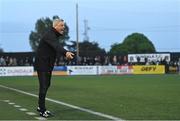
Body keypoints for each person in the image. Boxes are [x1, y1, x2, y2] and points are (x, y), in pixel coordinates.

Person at [34, 18, 74, 118]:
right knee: (43, 86)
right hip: (42, 64)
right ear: (55, 26)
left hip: (47, 64)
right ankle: (42, 110)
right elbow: (56, 46)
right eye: (61, 25)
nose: (63, 27)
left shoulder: (54, 35)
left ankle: (40, 106)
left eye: (63, 25)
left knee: (47, 84)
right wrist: (66, 52)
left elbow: (55, 47)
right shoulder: (50, 35)